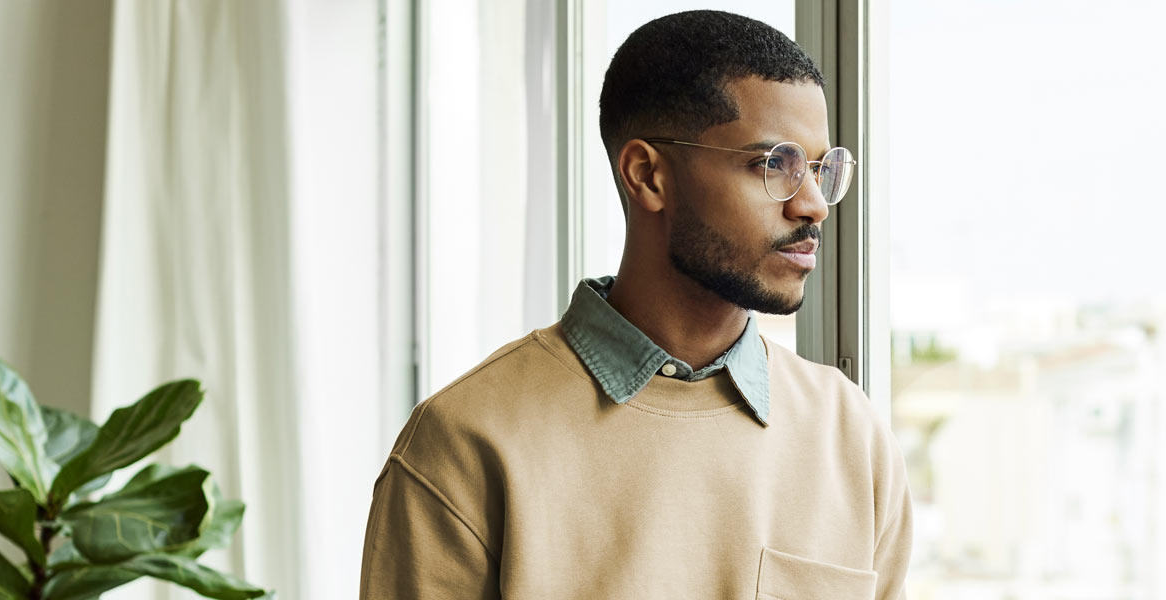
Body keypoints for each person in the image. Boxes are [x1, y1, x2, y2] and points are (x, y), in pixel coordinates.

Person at [359, 10, 911, 599]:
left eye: (822, 170)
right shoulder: (464, 444)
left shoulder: (853, 437)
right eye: (773, 165)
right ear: (647, 175)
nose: (814, 206)